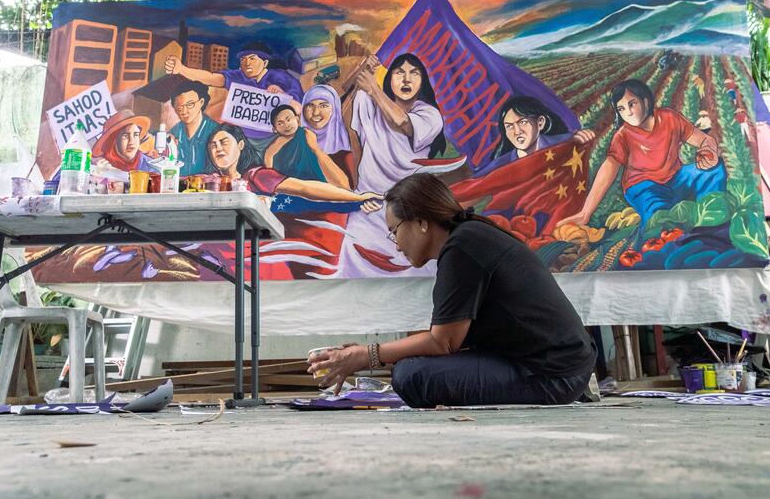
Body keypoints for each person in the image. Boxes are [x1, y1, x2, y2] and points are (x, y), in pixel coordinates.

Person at [307, 173, 597, 407]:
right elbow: (449, 337)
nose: (395, 243)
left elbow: (443, 343)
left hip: (553, 375)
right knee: (410, 363)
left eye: (394, 230)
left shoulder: (463, 247)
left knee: (411, 376)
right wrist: (365, 352)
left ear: (421, 222)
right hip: (556, 366)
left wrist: (366, 354)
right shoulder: (468, 237)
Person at [332, 53, 445, 278]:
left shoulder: (430, 115)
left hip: (409, 212)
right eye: (399, 72)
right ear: (390, 78)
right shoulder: (372, 102)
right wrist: (364, 77)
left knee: (418, 277)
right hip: (368, 209)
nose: (406, 79)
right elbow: (350, 126)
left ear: (422, 81)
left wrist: (373, 88)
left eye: (414, 73)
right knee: (352, 273)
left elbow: (401, 122)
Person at [557, 79, 726, 228]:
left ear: (645, 101)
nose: (628, 112)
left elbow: (704, 139)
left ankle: (710, 219)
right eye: (622, 109)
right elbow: (609, 168)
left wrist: (709, 152)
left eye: (632, 104)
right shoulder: (623, 135)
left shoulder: (669, 117)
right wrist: (585, 213)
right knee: (659, 219)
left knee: (714, 169)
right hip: (643, 187)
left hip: (676, 177)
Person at [165, 41, 303, 151]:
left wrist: (282, 95)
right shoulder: (238, 76)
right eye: (243, 59)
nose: (247, 63)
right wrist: (182, 69)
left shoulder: (281, 78)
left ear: (265, 62)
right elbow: (212, 78)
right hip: (243, 142)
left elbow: (298, 109)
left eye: (252, 58)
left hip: (275, 140)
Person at [205, 124, 381, 208]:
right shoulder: (204, 181)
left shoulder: (256, 176)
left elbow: (305, 188)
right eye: (213, 145)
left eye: (224, 142)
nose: (218, 148)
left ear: (241, 145)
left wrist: (358, 198)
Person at [485, 96, 595, 173]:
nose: (517, 132)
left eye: (523, 122)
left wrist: (584, 138)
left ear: (540, 122)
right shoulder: (500, 166)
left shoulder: (566, 143)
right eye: (509, 126)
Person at [263, 105, 350, 189]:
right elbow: (269, 160)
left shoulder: (307, 134)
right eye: (280, 123)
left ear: (297, 119)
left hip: (314, 180)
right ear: (275, 129)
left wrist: (314, 147)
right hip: (291, 183)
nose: (287, 125)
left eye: (288, 119)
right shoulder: (275, 145)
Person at [169, 80, 219, 175]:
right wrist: (171, 151)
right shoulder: (173, 133)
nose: (184, 111)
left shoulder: (216, 131)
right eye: (179, 107)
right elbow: (170, 161)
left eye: (190, 105)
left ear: (201, 102)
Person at [92, 110, 157, 172]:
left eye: (136, 135)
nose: (132, 142)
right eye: (125, 136)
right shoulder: (101, 164)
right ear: (114, 141)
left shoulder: (151, 167)